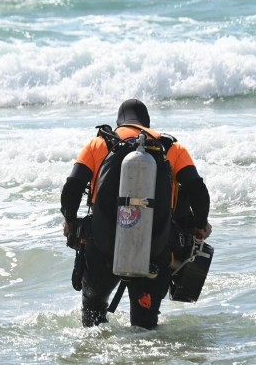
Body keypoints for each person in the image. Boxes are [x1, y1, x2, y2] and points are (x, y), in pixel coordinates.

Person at [61, 99, 211, 330]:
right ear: (147, 123)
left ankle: (95, 361)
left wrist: (69, 220)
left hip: (102, 246)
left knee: (93, 313)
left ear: (120, 122)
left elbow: (72, 186)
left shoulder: (99, 144)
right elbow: (198, 191)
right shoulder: (171, 148)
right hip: (154, 250)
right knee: (144, 327)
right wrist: (200, 224)